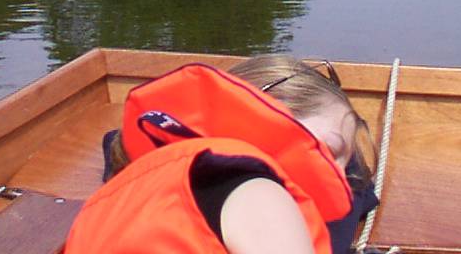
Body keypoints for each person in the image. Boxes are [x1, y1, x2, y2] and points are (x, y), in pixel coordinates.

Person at [64, 55, 379, 254]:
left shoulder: (157, 177)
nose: (339, 180)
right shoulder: (257, 192)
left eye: (345, 167)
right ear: (269, 113)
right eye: (329, 150)